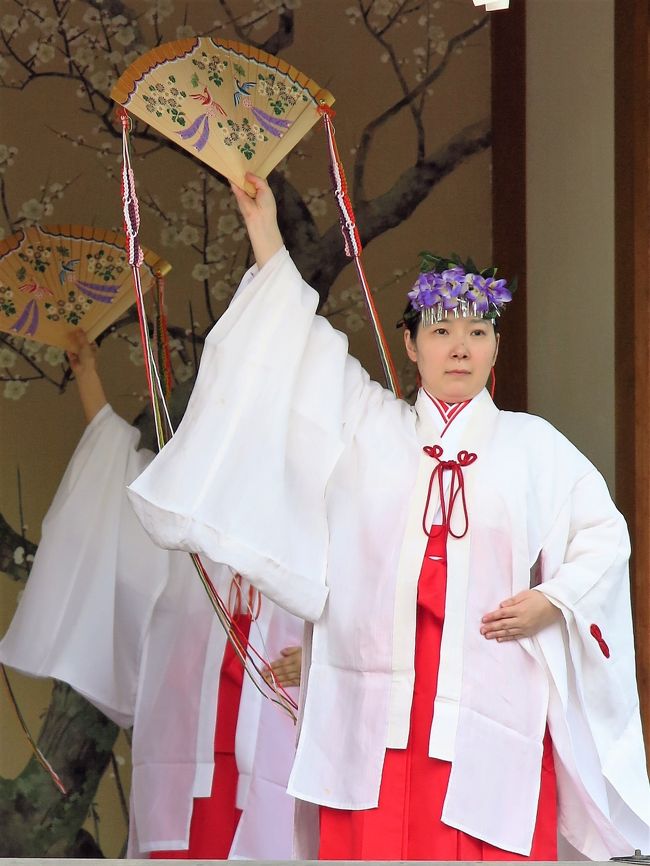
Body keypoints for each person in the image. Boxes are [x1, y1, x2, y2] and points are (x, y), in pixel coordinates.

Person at [127, 173, 650, 860]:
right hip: (374, 706)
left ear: (495, 347)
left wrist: (552, 601)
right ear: (411, 346)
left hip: (486, 701)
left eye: (478, 331)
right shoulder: (371, 426)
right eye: (441, 331)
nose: (459, 347)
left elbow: (604, 538)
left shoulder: (535, 449)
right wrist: (263, 229)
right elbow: (300, 346)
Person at [0, 329, 303, 859]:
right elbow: (120, 476)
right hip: (187, 736)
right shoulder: (180, 512)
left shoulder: (316, 517)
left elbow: (366, 611)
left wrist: (323, 658)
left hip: (275, 732)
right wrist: (88, 373)